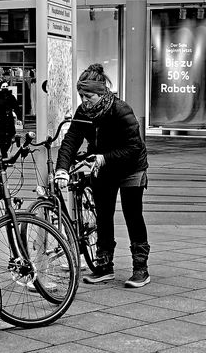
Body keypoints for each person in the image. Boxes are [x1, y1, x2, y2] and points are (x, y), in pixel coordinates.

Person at [53, 64, 151, 288]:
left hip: (131, 167)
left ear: (102, 92)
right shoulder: (83, 112)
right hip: (104, 167)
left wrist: (104, 157)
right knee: (103, 215)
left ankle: (141, 268)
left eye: (89, 96)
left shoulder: (120, 110)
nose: (84, 101)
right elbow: (71, 140)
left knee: (132, 214)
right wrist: (61, 169)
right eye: (81, 95)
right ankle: (104, 266)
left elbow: (134, 147)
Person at [0, 80, 20, 158]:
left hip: (9, 121)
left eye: (6, 86)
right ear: (0, 87)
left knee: (9, 140)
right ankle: (4, 157)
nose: (5, 88)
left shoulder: (11, 97)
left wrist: (19, 117)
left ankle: (3, 155)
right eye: (3, 86)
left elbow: (16, 107)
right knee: (2, 140)